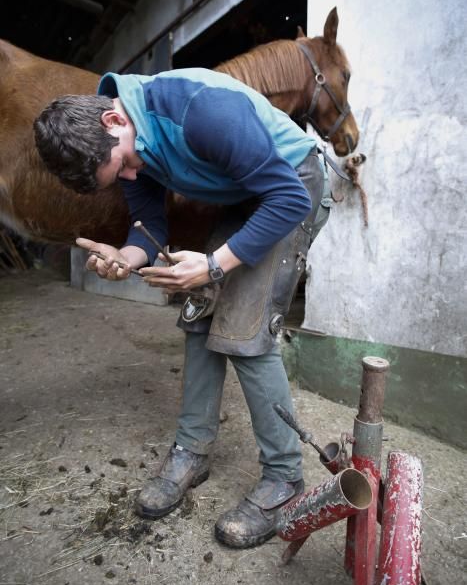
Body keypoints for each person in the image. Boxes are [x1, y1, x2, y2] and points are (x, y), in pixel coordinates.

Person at [34, 67, 332, 549]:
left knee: (244, 327)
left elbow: (287, 198)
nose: (133, 174)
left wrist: (214, 265)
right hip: (245, 193)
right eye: (122, 175)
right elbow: (148, 220)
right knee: (200, 315)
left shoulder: (202, 110)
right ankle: (192, 451)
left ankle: (284, 477)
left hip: (292, 185)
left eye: (127, 163)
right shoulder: (118, 139)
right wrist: (124, 258)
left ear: (114, 119)